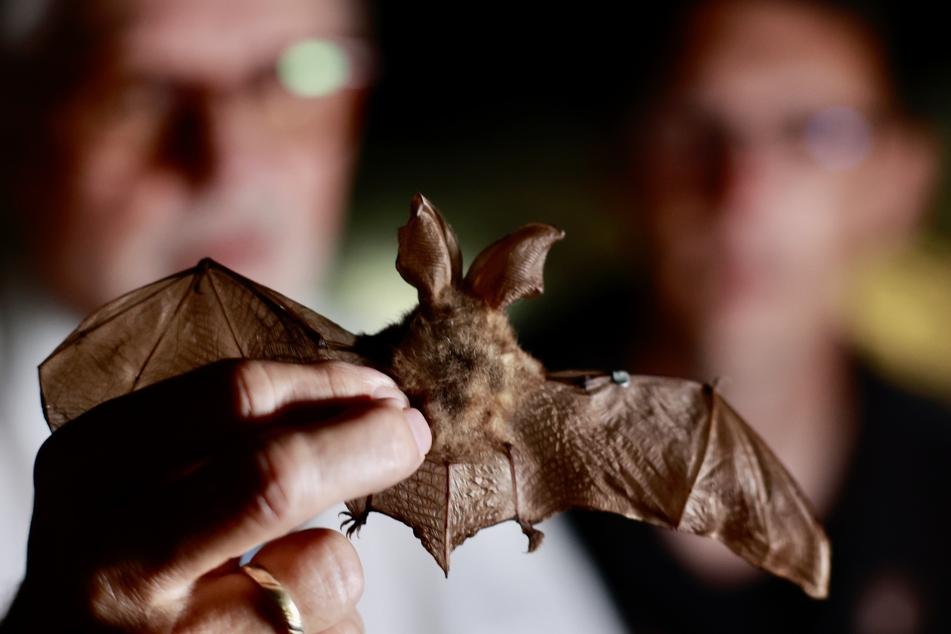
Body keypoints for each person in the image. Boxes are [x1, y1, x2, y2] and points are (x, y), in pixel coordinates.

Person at [0, 0, 625, 631]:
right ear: (19, 121)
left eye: (301, 73)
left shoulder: (426, 392)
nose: (229, 157)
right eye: (134, 89)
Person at [525, 0, 951, 631]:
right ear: (625, 167)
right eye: (691, 126)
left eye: (816, 133)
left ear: (900, 184)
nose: (742, 190)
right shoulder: (468, 447)